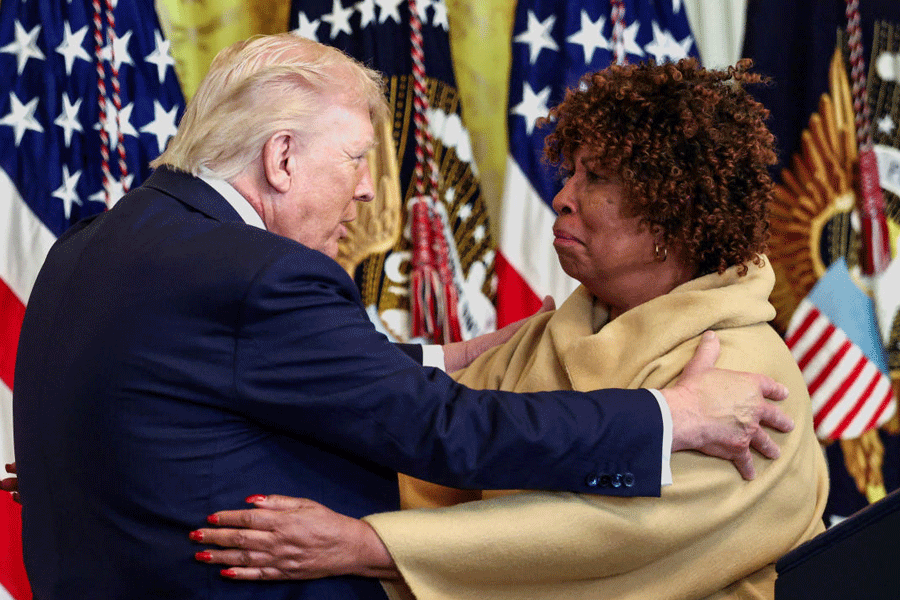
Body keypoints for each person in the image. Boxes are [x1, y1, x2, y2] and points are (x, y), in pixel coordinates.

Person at [12, 35, 792, 600]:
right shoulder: (257, 274)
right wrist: (668, 418)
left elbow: (217, 383)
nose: (366, 190)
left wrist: (436, 368)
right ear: (282, 158)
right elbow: (446, 430)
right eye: (357, 157)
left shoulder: (90, 244)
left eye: (596, 178)